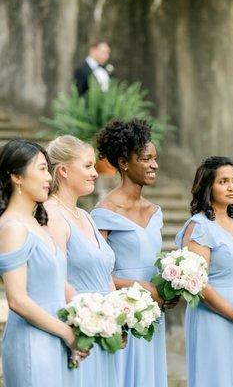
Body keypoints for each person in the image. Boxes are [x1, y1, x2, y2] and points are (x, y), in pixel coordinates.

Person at [0, 139, 87, 387]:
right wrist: (67, 334)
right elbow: (17, 300)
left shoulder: (37, 224)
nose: (49, 177)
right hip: (33, 343)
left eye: (48, 169)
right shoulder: (12, 228)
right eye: (41, 169)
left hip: (57, 340)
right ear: (17, 176)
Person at [91, 119, 169, 387]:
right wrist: (140, 287)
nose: (154, 165)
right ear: (124, 162)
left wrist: (167, 289)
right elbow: (94, 274)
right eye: (146, 159)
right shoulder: (103, 214)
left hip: (153, 314)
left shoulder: (156, 212)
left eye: (155, 159)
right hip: (121, 313)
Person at [175, 156, 233, 387]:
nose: (232, 186)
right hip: (215, 318)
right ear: (207, 186)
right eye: (223, 181)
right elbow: (198, 284)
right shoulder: (200, 226)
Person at [44, 135, 119, 387]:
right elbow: (57, 277)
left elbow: (105, 271)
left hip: (104, 327)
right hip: (80, 327)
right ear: (63, 170)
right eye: (87, 166)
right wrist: (90, 320)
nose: (95, 173)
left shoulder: (86, 216)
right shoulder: (52, 215)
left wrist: (117, 317)